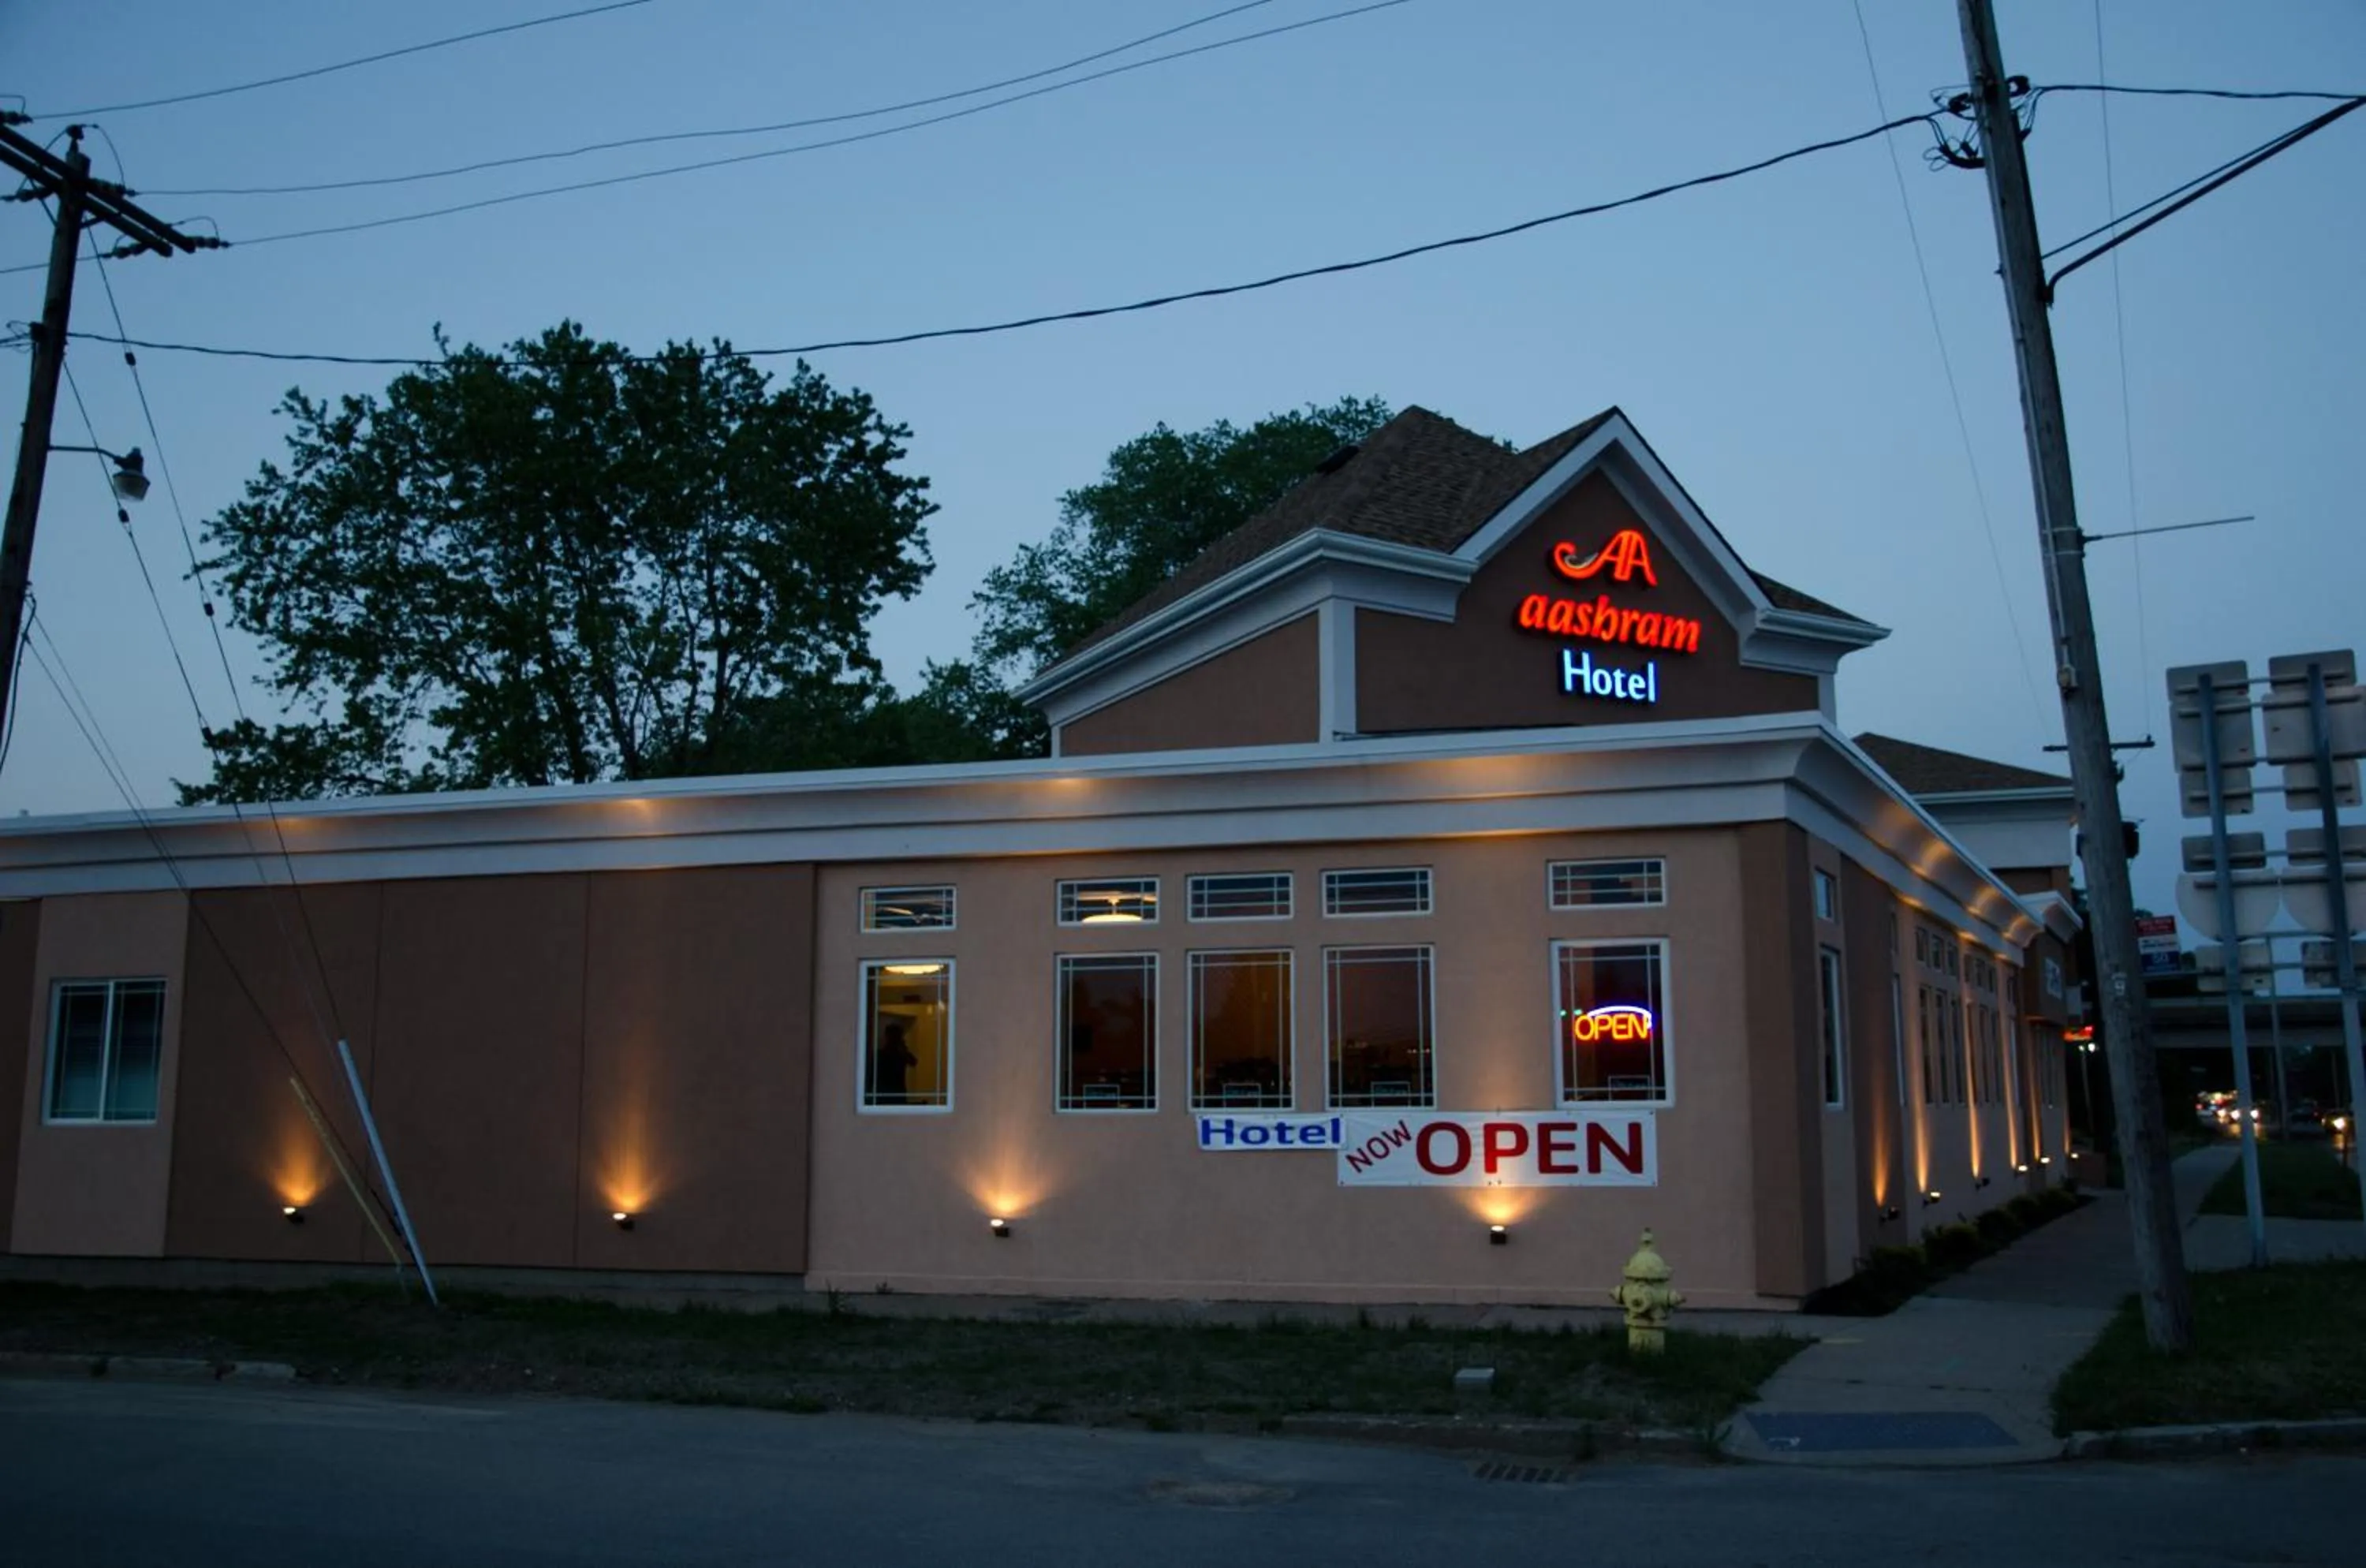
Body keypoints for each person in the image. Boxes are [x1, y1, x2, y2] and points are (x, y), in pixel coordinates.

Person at [875, 1022, 917, 1103]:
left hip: (898, 1092)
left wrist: (904, 1050)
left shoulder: (901, 1054)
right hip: (885, 1092)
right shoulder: (882, 1054)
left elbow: (914, 1062)